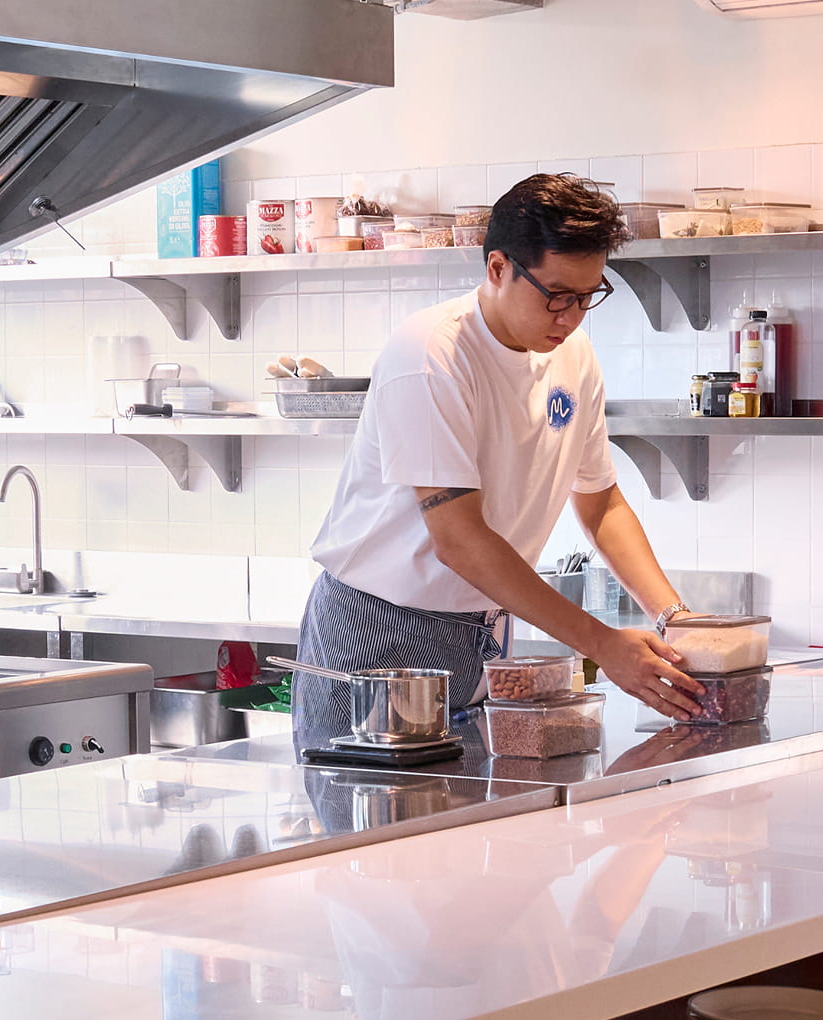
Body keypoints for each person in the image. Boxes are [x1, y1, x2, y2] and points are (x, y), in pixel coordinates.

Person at [292, 174, 704, 754]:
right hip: (379, 631)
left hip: (486, 628)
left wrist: (674, 618)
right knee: (369, 805)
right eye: (556, 294)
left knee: (468, 805)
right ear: (497, 267)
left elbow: (601, 502)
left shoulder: (573, 355)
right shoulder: (431, 354)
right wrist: (602, 644)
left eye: (587, 296)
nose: (571, 317)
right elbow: (459, 540)